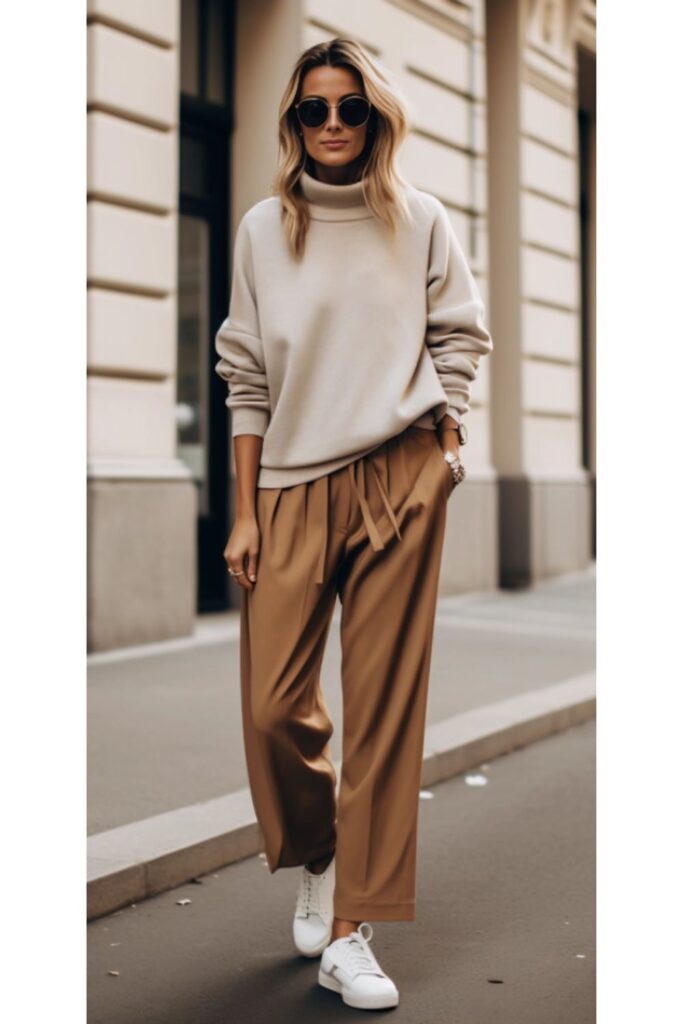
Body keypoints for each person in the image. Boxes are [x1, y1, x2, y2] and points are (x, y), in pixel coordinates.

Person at [214, 36, 493, 1012]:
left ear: (376, 118)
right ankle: (322, 848)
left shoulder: (417, 219)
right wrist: (242, 511)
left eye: (350, 110)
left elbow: (459, 328)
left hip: (397, 478)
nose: (331, 125)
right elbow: (243, 373)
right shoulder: (260, 228)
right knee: (270, 707)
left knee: (383, 711)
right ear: (292, 122)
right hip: (288, 488)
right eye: (312, 111)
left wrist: (444, 443)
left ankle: (351, 929)